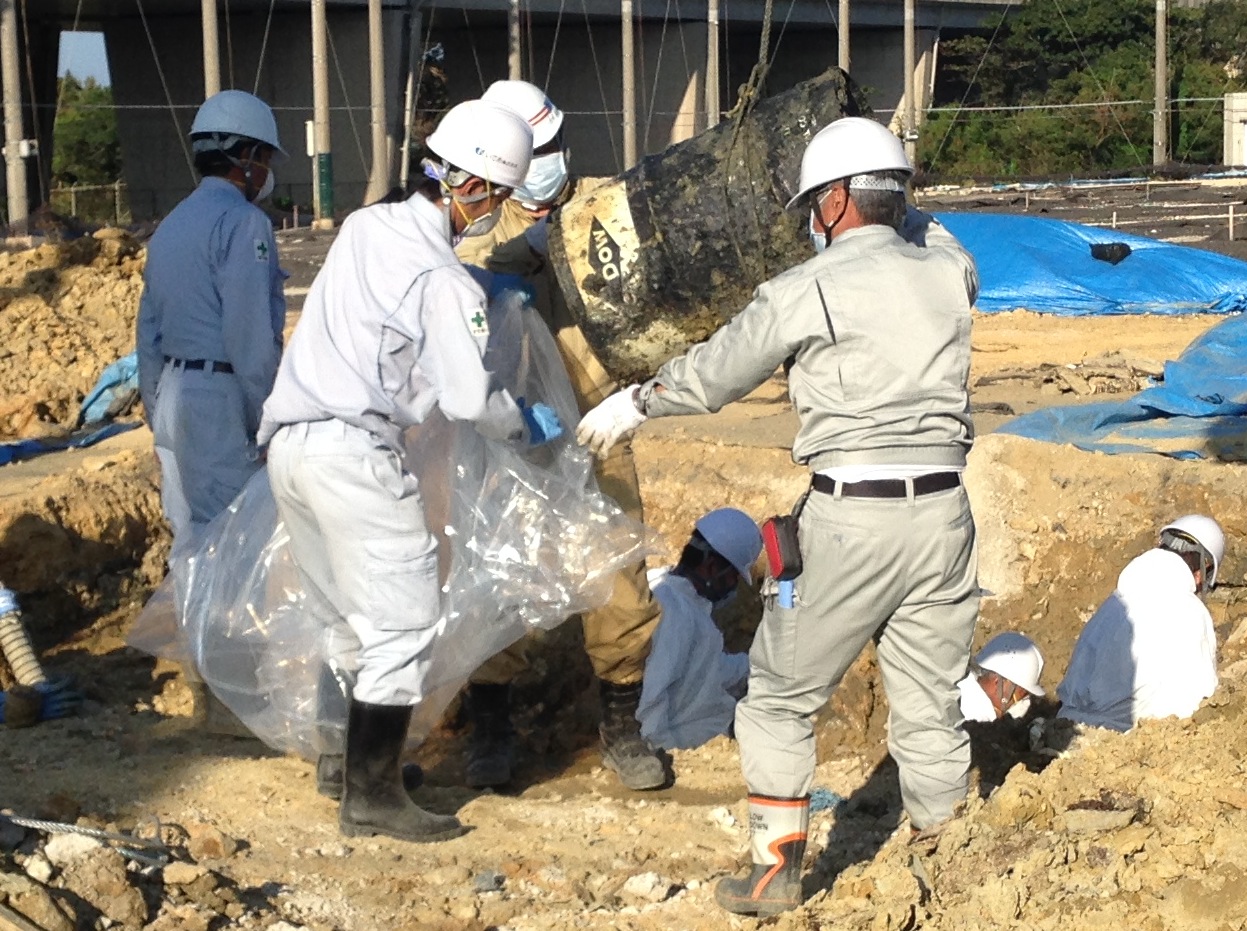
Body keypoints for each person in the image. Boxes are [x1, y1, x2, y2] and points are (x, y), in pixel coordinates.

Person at [577, 116, 981, 917]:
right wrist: (896, 186)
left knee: (777, 700)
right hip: (944, 515)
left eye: (813, 204)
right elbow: (936, 233)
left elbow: (719, 370)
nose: (807, 220)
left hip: (853, 516)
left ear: (833, 201)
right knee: (931, 704)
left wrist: (638, 401)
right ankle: (959, 866)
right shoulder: (948, 271)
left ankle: (773, 873)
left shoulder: (807, 288)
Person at [257, 99, 563, 844]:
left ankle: (345, 762)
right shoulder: (444, 281)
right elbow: (466, 398)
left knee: (345, 617)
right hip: (353, 454)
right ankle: (371, 797)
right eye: (501, 196)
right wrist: (523, 421)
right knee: (404, 620)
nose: (499, 209)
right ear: (477, 190)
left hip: (291, 447)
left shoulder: (365, 228)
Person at [453, 79, 668, 793]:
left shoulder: (603, 208)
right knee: (501, 575)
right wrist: (519, 259)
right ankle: (490, 727)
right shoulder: (483, 233)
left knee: (620, 584)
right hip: (514, 435)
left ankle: (622, 722)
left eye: (552, 145)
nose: (549, 161)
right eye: (533, 150)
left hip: (599, 419)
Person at [136, 90, 287, 561]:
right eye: (263, 157)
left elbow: (148, 335)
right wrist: (268, 420)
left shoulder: (172, 225)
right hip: (217, 398)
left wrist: (156, 410)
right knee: (237, 542)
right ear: (245, 156)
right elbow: (250, 337)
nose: (265, 171)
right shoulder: (243, 222)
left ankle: (192, 634)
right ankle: (230, 638)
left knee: (191, 545)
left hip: (173, 400)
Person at [1057, 515, 1224, 733]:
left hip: (1066, 732)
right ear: (1203, 569)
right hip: (1128, 743)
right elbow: (1197, 699)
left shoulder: (1112, 605)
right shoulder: (1190, 611)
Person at [637, 508, 761, 751]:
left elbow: (707, 667)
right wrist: (651, 752)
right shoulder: (676, 613)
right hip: (663, 740)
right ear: (713, 567)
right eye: (734, 576)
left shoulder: (668, 590)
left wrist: (758, 666)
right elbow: (652, 694)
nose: (734, 586)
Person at [958, 632, 1045, 724]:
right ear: (998, 682)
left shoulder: (960, 685)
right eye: (1022, 694)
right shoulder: (975, 718)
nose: (1025, 702)